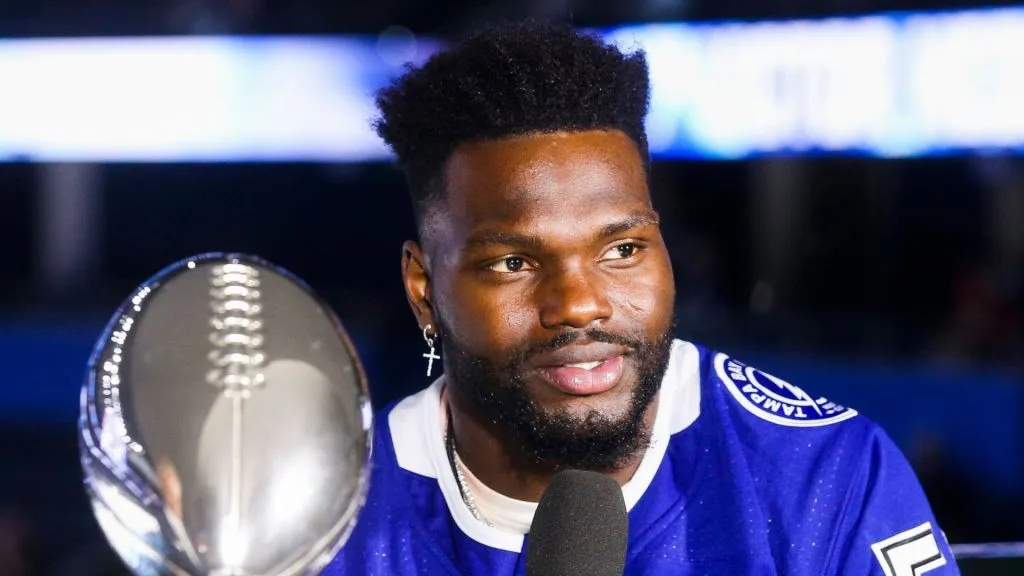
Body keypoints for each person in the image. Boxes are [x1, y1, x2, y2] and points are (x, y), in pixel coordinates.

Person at [323, 21, 959, 575]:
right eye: (514, 263)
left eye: (622, 251)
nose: (579, 304)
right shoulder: (323, 514)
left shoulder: (824, 473)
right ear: (425, 291)